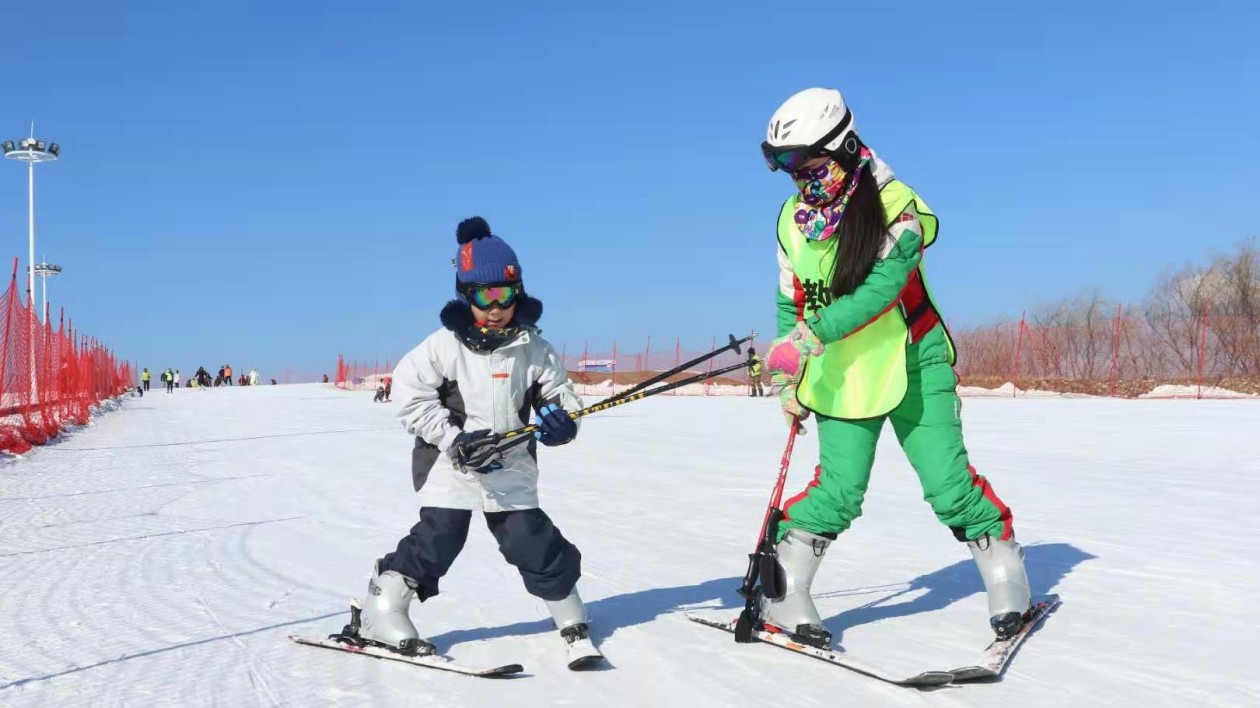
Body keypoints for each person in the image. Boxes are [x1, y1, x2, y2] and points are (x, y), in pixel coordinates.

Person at [757, 87, 1031, 647]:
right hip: (840, 371)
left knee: (948, 484)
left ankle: (1007, 576)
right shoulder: (792, 219)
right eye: (782, 163)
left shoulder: (895, 203)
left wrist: (812, 334)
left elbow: (885, 288)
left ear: (841, 145)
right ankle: (785, 593)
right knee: (838, 491)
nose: (793, 176)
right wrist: (789, 370)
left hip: (914, 360)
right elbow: (793, 299)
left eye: (802, 161)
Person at [350, 216, 599, 668]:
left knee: (530, 540)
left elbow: (559, 393)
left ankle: (571, 617)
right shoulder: (443, 346)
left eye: (506, 294)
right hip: (452, 462)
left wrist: (564, 420)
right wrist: (454, 439)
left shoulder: (533, 347)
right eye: (486, 295)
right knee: (440, 538)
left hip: (511, 464)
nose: (497, 306)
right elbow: (410, 398)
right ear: (467, 296)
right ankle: (380, 610)